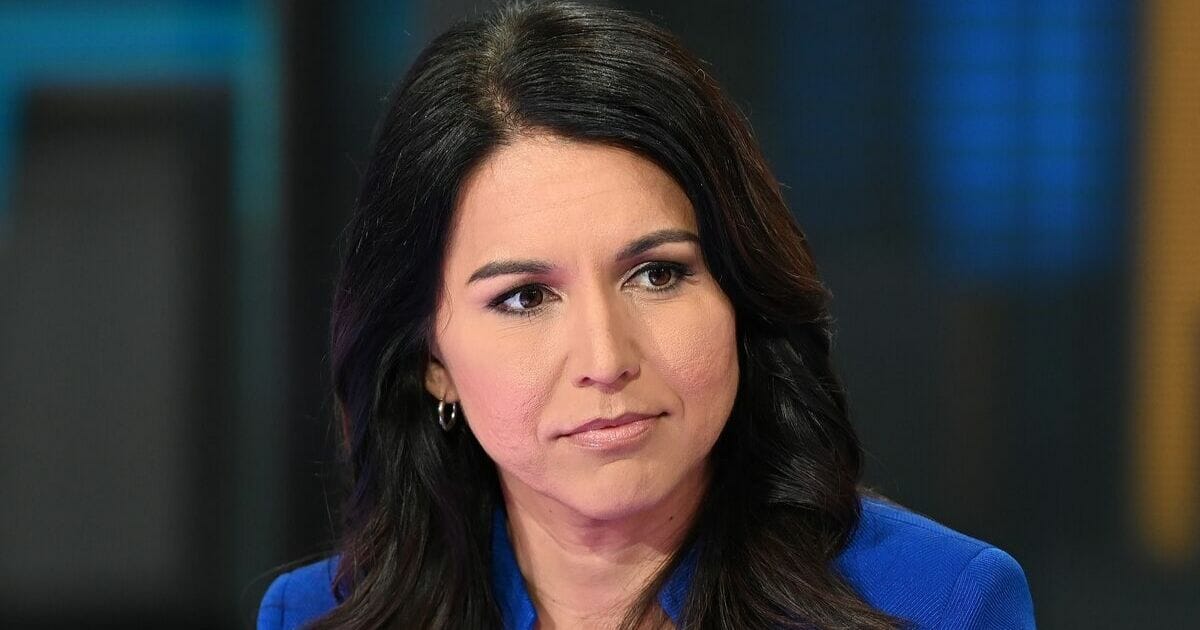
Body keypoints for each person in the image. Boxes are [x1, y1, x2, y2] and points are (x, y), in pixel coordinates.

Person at [257, 1, 1036, 628]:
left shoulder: (940, 604)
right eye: (525, 297)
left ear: (739, 292)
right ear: (432, 359)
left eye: (658, 274)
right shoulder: (321, 616)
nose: (606, 355)